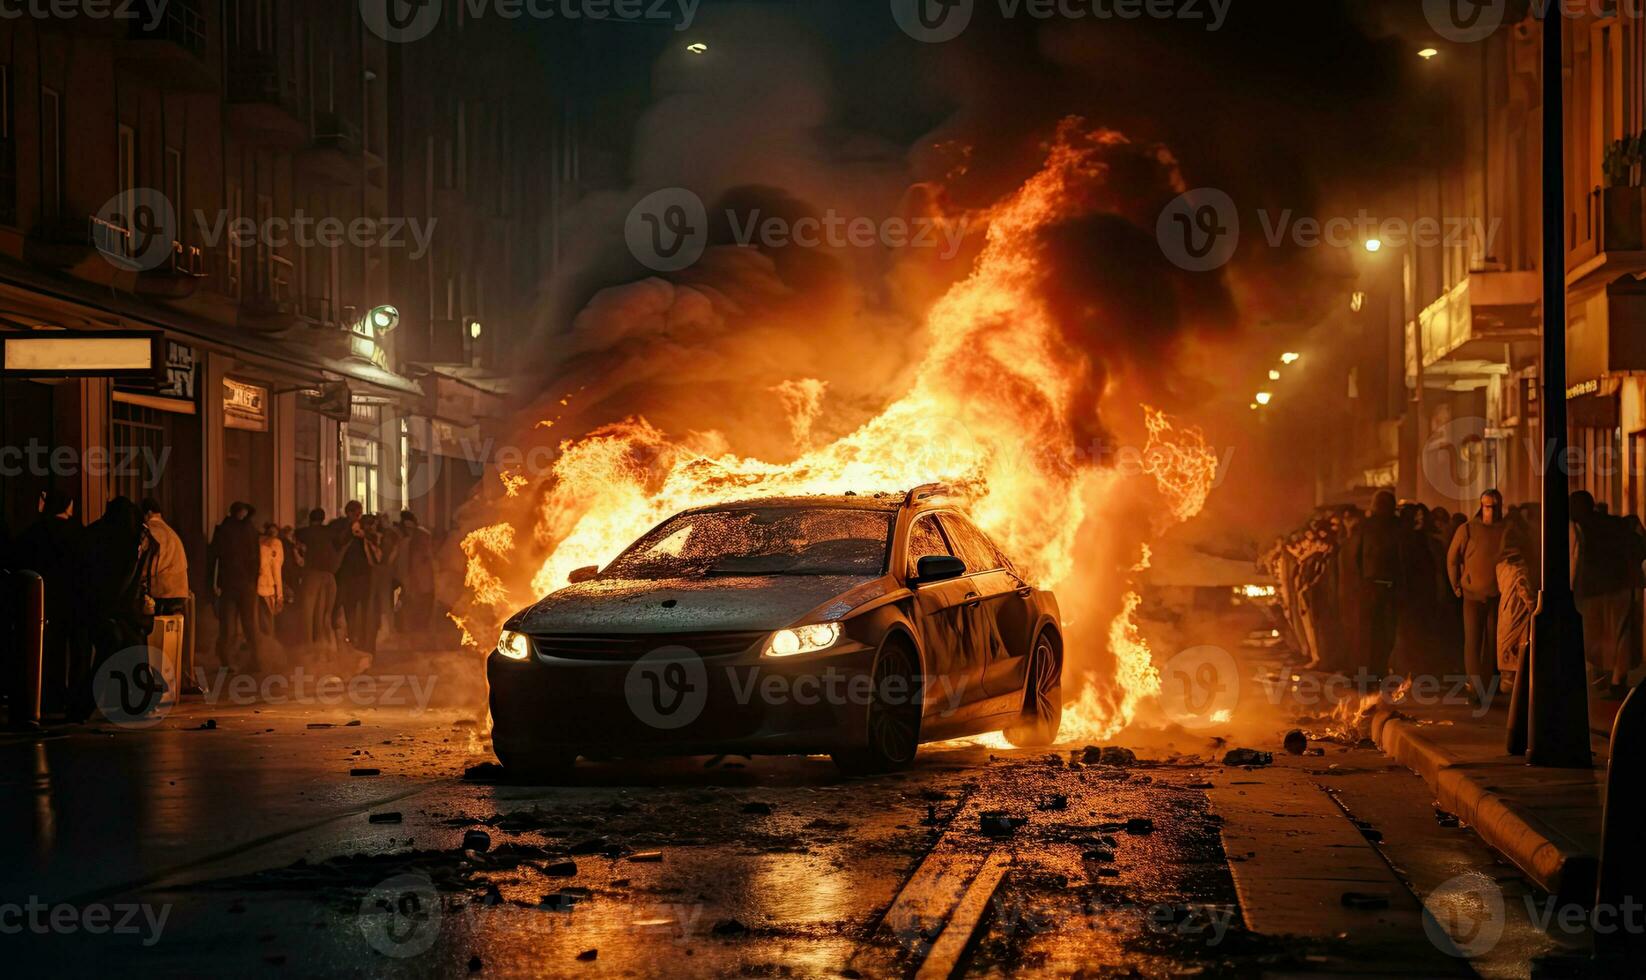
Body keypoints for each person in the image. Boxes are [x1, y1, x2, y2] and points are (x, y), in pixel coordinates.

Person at [12, 489, 86, 716]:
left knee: (47, 650)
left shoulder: (35, 533)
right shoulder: (77, 533)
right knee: (75, 650)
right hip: (74, 599)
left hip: (42, 600)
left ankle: (47, 697)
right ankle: (74, 699)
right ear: (67, 506)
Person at [82, 497, 155, 719]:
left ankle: (85, 705)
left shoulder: (96, 535)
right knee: (130, 653)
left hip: (99, 607)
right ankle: (134, 703)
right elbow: (131, 578)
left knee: (108, 654)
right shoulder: (135, 540)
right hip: (123, 610)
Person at [1571, 491, 1644, 699]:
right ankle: (1616, 680)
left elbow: (1575, 560)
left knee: (1596, 635)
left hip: (1594, 589)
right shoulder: (1615, 524)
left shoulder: (1579, 528)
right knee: (1621, 635)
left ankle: (1606, 676)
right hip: (1619, 586)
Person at [1448, 489, 1508, 706]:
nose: (1490, 511)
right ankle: (1475, 687)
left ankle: (1490, 686)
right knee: (1473, 642)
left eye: (1493, 506)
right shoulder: (1468, 530)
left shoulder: (1506, 530)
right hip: (1472, 594)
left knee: (1493, 642)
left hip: (1497, 595)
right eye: (1486, 506)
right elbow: (1453, 558)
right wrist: (1455, 584)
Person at [1349, 491, 1402, 678]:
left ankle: (1369, 673)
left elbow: (1355, 557)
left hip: (1373, 585)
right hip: (1387, 585)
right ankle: (1377, 670)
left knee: (1370, 632)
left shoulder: (1365, 526)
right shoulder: (1397, 527)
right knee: (1385, 632)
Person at [208, 502, 262, 673]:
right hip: (243, 585)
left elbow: (213, 558)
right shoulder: (250, 530)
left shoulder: (224, 530)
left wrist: (213, 584)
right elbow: (256, 559)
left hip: (231, 585)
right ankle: (252, 661)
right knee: (247, 625)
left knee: (230, 626)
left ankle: (229, 662)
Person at [294, 509, 339, 648]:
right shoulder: (329, 532)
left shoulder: (303, 533)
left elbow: (295, 539)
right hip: (328, 575)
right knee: (323, 611)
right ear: (323, 518)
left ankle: (308, 644)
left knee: (308, 610)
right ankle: (322, 643)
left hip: (312, 573)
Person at [396, 511, 436, 632]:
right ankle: (414, 630)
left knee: (421, 605)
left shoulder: (417, 538)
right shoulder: (406, 541)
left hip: (420, 579)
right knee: (415, 605)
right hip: (415, 579)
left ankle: (418, 630)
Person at [256, 522, 285, 637]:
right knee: (267, 620)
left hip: (253, 585)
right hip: (267, 586)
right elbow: (276, 570)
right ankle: (268, 646)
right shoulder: (276, 544)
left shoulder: (257, 542)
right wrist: (280, 595)